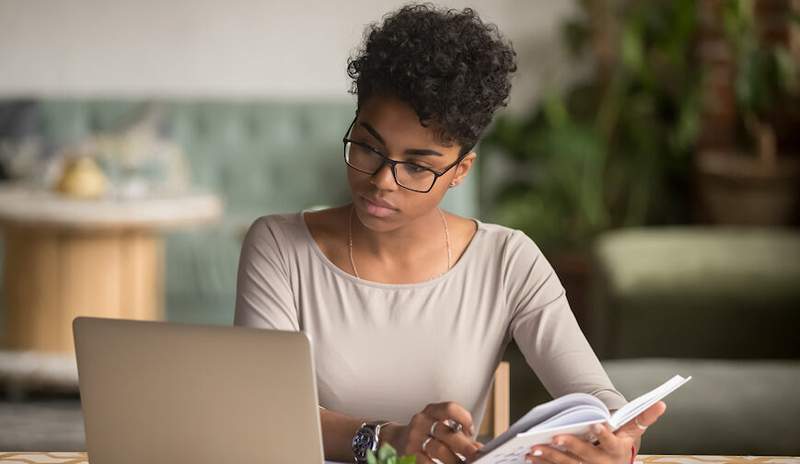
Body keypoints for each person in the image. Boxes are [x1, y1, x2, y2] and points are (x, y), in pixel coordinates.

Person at [234, 4, 665, 464]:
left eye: (417, 166)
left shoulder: (507, 259)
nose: (381, 180)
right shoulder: (279, 247)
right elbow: (263, 412)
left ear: (460, 170)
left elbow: (595, 396)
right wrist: (385, 440)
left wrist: (618, 444)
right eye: (367, 146)